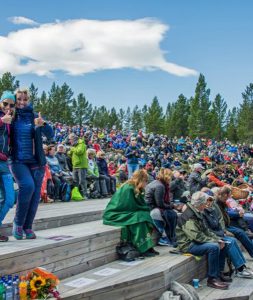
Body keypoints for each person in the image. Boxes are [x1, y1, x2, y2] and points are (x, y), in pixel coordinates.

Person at [10, 88, 54, 240]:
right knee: (27, 186)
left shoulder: (34, 116)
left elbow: (50, 135)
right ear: (15, 101)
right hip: (17, 160)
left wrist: (43, 124)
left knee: (35, 195)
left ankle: (28, 227)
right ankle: (18, 223)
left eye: (25, 99)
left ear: (28, 100)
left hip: (36, 161)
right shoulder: (11, 116)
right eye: (19, 99)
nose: (22, 102)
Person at [176, 191, 229, 290]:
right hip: (188, 244)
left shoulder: (197, 212)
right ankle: (212, 279)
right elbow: (196, 236)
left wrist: (217, 239)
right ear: (199, 204)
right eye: (205, 203)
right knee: (214, 247)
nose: (206, 205)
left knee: (222, 242)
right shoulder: (189, 215)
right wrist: (214, 241)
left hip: (195, 241)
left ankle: (218, 273)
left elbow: (206, 230)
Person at [103, 169, 158, 257]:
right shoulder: (128, 188)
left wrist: (145, 208)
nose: (146, 184)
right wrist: (144, 208)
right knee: (140, 218)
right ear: (141, 180)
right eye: (146, 181)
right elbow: (129, 206)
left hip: (126, 211)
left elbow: (138, 204)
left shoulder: (136, 187)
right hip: (116, 213)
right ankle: (142, 246)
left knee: (144, 216)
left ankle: (146, 246)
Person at [203, 190, 253, 279]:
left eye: (210, 201)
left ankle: (241, 267)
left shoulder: (212, 208)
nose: (209, 203)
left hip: (219, 230)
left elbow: (218, 222)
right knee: (229, 241)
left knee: (235, 238)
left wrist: (221, 232)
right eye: (208, 201)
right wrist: (223, 232)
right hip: (213, 234)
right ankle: (236, 270)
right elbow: (207, 229)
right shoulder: (206, 210)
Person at [145, 168, 177, 246]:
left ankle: (169, 237)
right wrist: (172, 206)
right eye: (171, 177)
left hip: (150, 207)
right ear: (167, 177)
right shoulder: (160, 186)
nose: (171, 179)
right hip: (150, 209)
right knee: (171, 214)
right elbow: (160, 204)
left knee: (171, 213)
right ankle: (164, 238)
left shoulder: (157, 183)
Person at [0, 91, 16, 242]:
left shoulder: (12, 119)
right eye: (5, 103)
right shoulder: (3, 118)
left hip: (4, 162)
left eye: (11, 104)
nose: (8, 107)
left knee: (9, 199)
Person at [68, 133, 88, 199]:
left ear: (73, 138)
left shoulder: (81, 143)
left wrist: (72, 149)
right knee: (75, 181)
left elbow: (80, 152)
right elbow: (70, 154)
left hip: (81, 165)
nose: (69, 141)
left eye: (70, 139)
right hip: (75, 165)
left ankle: (85, 195)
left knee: (82, 181)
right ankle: (77, 194)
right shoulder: (74, 145)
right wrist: (70, 152)